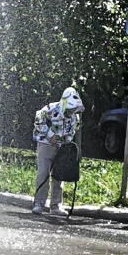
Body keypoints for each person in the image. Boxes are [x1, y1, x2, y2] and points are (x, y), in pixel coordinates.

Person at [31, 86, 84, 214]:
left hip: (61, 147)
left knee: (58, 175)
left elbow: (72, 131)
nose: (71, 111)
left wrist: (68, 142)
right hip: (45, 144)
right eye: (70, 108)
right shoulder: (50, 109)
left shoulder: (73, 118)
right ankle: (39, 203)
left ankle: (55, 206)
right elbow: (39, 121)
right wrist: (50, 135)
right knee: (43, 173)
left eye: (74, 109)